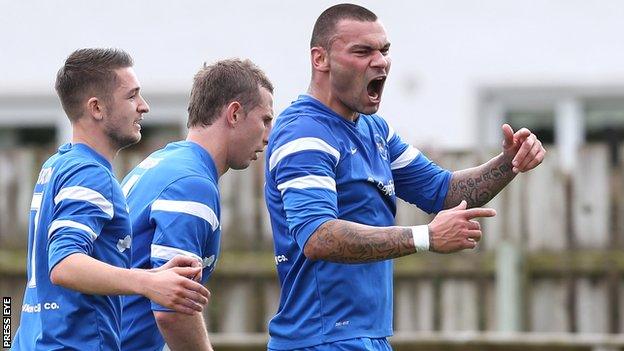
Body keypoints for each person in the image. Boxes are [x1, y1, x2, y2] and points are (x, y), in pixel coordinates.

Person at [264, 4, 546, 350]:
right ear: (320, 59)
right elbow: (317, 236)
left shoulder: (374, 131)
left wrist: (509, 162)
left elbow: (443, 191)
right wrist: (425, 237)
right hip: (320, 340)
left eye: (384, 50)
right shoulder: (305, 132)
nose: (380, 61)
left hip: (369, 337)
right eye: (363, 51)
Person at [11, 48, 210, 351]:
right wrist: (148, 284)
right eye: (132, 96)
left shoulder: (57, 165)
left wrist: (154, 275)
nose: (144, 107)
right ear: (97, 108)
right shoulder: (91, 174)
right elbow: (64, 264)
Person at [120, 58, 274, 351]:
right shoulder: (191, 185)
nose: (268, 135)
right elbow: (172, 310)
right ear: (235, 114)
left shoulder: (160, 162)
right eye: (265, 120)